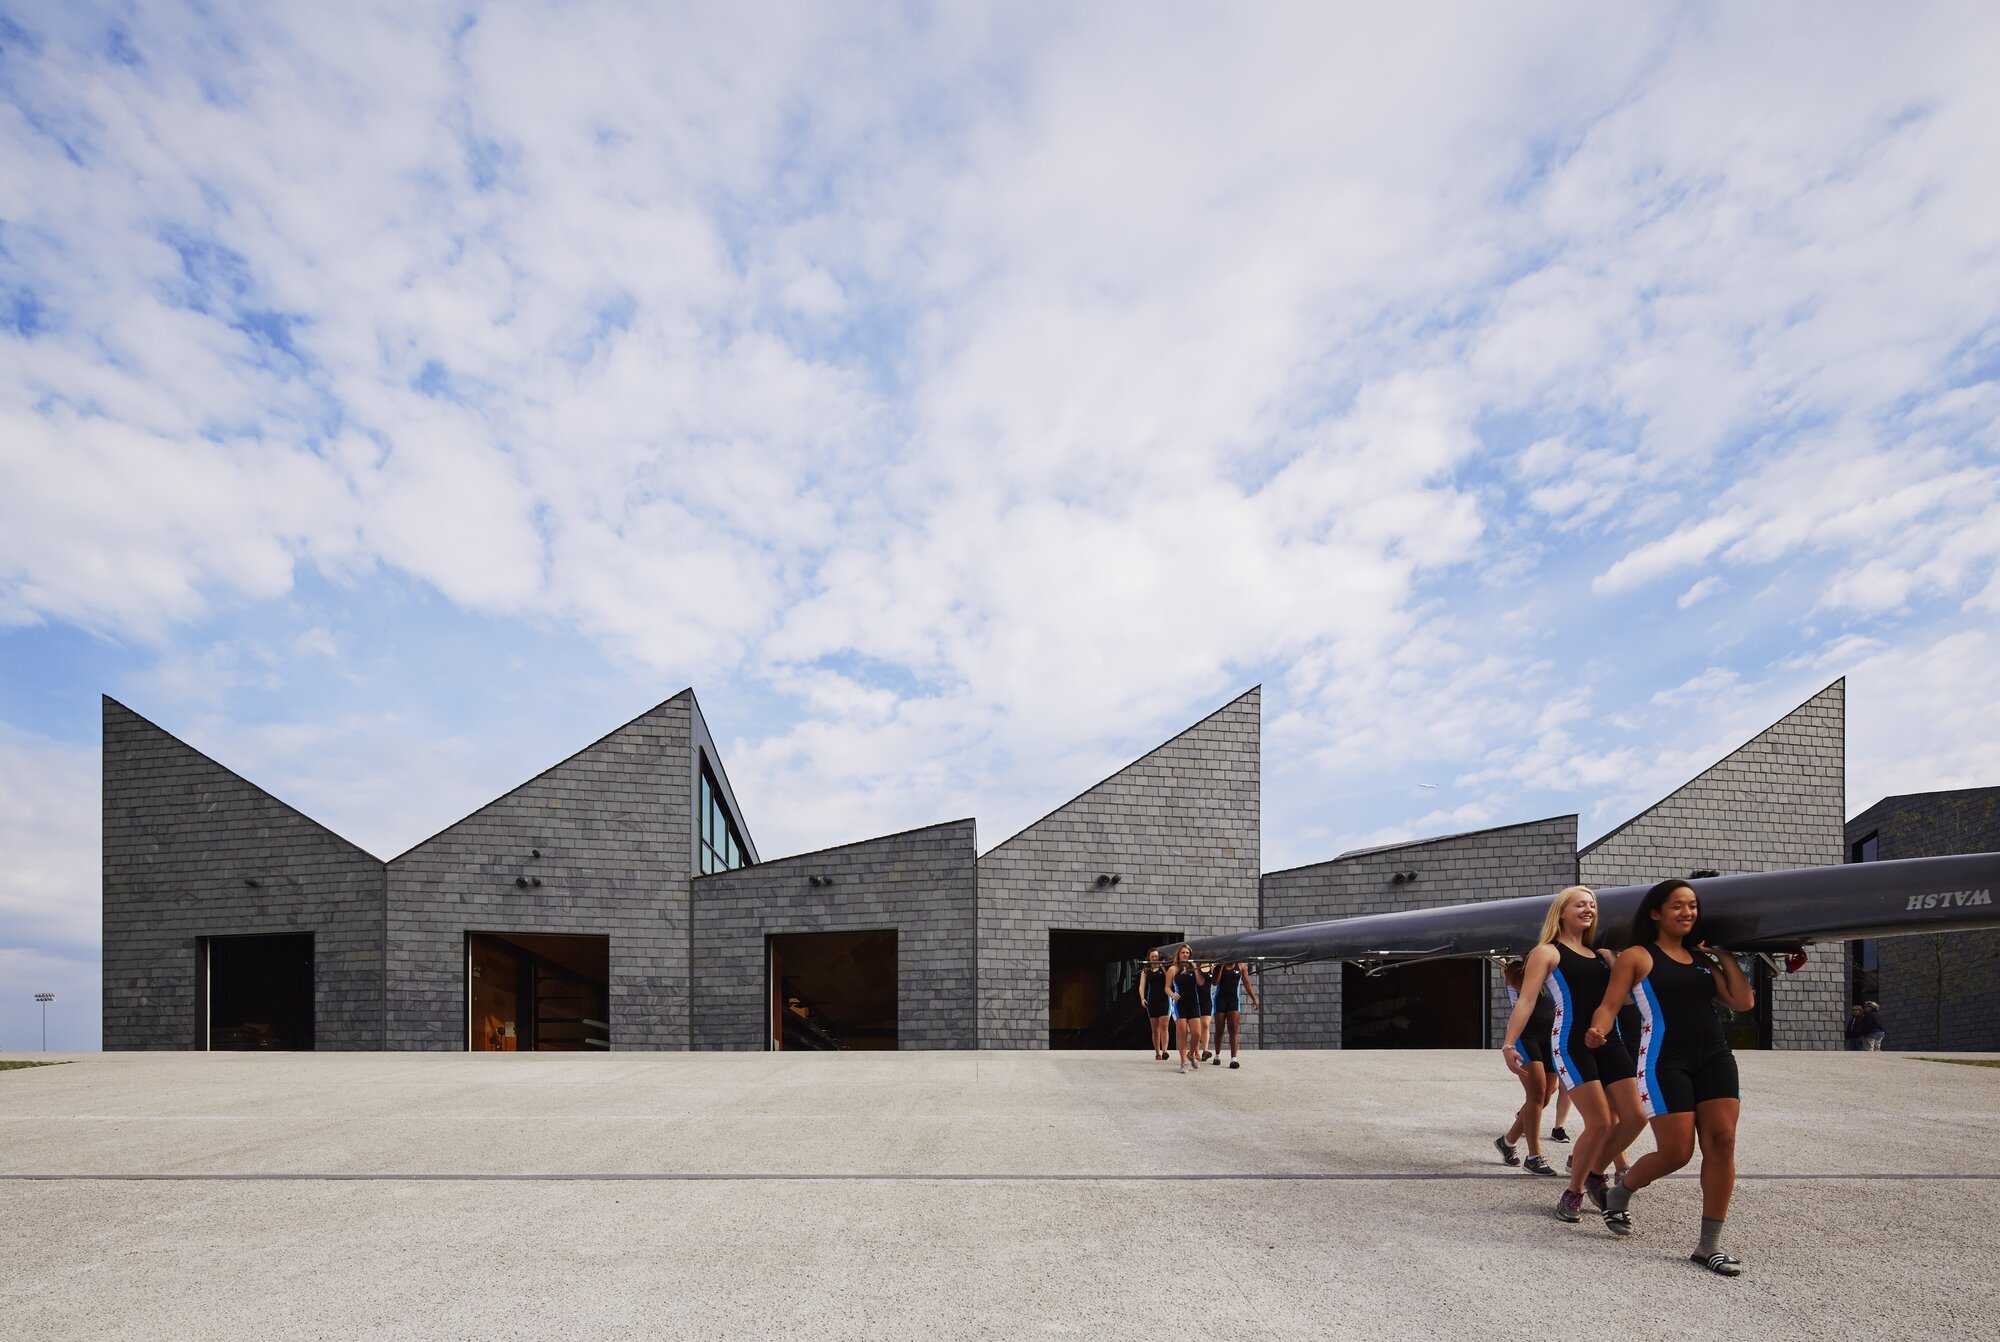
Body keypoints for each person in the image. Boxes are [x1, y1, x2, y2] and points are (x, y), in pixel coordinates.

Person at [1586, 878, 1756, 1276]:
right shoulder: (1638, 956)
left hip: (1715, 1055)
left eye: (1693, 906)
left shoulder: (1702, 961)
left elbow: (1743, 1002)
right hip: (1665, 1059)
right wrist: (1598, 1030)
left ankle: (1708, 1246)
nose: (1688, 913)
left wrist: (1721, 955)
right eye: (1678, 906)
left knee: (1722, 1142)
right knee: (1677, 1151)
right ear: (1656, 912)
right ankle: (1620, 1192)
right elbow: (1610, 1004)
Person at [1499, 885, 1647, 1225]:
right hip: (1571, 1043)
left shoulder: (1604, 955)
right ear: (1562, 911)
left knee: (1635, 1117)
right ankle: (1576, 1189)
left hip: (1611, 1040)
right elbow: (1526, 1000)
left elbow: (1625, 1000)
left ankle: (1596, 1173)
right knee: (1601, 1122)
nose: (1588, 909)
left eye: (1592, 905)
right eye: (1580, 904)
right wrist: (1509, 1044)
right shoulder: (1547, 953)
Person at [1496, 959, 1558, 1176]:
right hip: (1527, 1036)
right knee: (1536, 1095)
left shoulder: (1552, 966)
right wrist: (1508, 1044)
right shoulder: (1519, 971)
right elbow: (1516, 987)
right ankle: (1534, 1156)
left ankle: (1507, 1140)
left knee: (1546, 1095)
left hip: (1550, 1036)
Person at [1208, 960, 1260, 1068]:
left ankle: (1233, 1059)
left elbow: (1246, 983)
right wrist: (1221, 967)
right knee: (1219, 1030)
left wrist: (1254, 998)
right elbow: (1214, 982)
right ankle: (1217, 1056)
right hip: (1220, 1000)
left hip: (1233, 1001)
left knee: (1234, 1029)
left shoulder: (1241, 965)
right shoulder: (1219, 966)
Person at [1164, 945, 1207, 1074]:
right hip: (1180, 1003)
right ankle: (1183, 1062)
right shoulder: (1173, 969)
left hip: (1193, 1003)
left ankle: (1191, 1054)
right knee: (1182, 1033)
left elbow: (1201, 983)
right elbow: (1166, 987)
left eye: (1187, 952)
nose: (1185, 954)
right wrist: (1172, 994)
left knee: (1197, 1033)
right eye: (1183, 952)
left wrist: (1195, 967)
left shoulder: (1194, 968)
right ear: (1179, 954)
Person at [1139, 949, 1172, 1060]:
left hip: (1164, 1000)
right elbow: (1141, 986)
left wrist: (1163, 966)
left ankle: (1165, 1051)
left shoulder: (1164, 969)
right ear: (1149, 958)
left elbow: (1170, 979)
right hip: (1152, 1001)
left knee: (1164, 1026)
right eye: (1152, 956)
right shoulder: (1146, 971)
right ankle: (1157, 1052)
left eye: (1156, 956)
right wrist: (1142, 998)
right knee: (1155, 1029)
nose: (1154, 958)